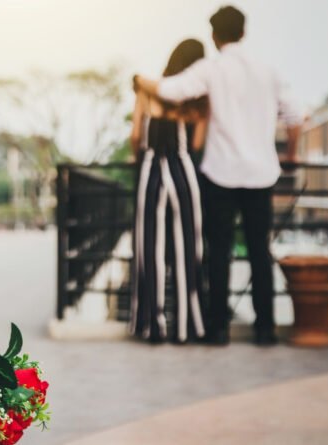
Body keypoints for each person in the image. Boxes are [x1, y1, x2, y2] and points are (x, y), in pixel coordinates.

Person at [135, 5, 303, 346]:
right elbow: (296, 116)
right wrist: (291, 154)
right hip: (260, 174)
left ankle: (218, 328)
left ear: (214, 36)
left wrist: (138, 81)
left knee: (219, 250)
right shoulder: (267, 70)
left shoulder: (211, 69)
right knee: (260, 251)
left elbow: (171, 90)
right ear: (244, 32)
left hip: (221, 173)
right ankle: (265, 328)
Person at [130, 39, 208, 344]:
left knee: (149, 246)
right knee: (188, 246)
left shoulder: (147, 91)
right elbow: (197, 143)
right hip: (182, 169)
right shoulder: (199, 99)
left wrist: (137, 157)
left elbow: (135, 135)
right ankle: (186, 326)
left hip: (150, 167)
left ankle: (152, 325)